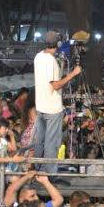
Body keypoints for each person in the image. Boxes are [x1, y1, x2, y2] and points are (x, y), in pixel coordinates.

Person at [33, 30, 81, 173]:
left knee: (40, 141)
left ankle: (38, 168)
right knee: (51, 143)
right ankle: (50, 173)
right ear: (58, 44)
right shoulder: (51, 61)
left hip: (40, 106)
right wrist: (73, 73)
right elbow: (55, 85)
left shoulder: (38, 56)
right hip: (52, 109)